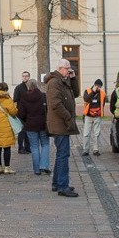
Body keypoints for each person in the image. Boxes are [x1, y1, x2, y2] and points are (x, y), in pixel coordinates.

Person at [44, 59, 80, 197]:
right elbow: (56, 104)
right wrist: (68, 118)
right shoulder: (54, 82)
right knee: (63, 155)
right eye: (67, 68)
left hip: (63, 124)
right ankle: (62, 186)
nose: (69, 70)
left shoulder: (63, 81)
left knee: (62, 154)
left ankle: (57, 183)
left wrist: (73, 78)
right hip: (60, 124)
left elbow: (75, 93)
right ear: (60, 68)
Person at [18, 78, 50, 175]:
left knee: (34, 147)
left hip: (30, 125)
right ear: (37, 85)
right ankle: (44, 166)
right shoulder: (43, 96)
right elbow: (48, 110)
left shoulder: (23, 97)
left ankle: (36, 170)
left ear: (28, 86)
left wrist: (25, 120)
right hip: (42, 124)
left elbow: (21, 113)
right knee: (45, 145)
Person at [81, 79, 106, 156]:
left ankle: (96, 150)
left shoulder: (102, 93)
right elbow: (86, 99)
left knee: (96, 134)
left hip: (97, 116)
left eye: (100, 86)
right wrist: (93, 92)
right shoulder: (87, 91)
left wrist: (98, 111)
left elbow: (103, 104)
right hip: (88, 116)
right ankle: (85, 150)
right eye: (97, 86)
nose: (98, 88)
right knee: (86, 133)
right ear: (94, 85)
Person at [13, 71, 32, 153]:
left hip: (30, 112)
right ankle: (20, 148)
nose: (25, 77)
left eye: (26, 76)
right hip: (21, 112)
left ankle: (28, 147)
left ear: (29, 77)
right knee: (21, 131)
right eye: (23, 76)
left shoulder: (32, 87)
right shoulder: (18, 88)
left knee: (28, 130)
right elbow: (15, 99)